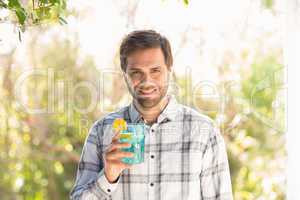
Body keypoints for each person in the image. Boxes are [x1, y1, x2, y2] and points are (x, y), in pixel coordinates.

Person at [70, 30, 233, 200]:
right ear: (125, 74)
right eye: (136, 72)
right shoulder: (101, 131)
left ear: (169, 70)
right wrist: (108, 177)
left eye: (155, 70)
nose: (147, 81)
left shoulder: (205, 132)